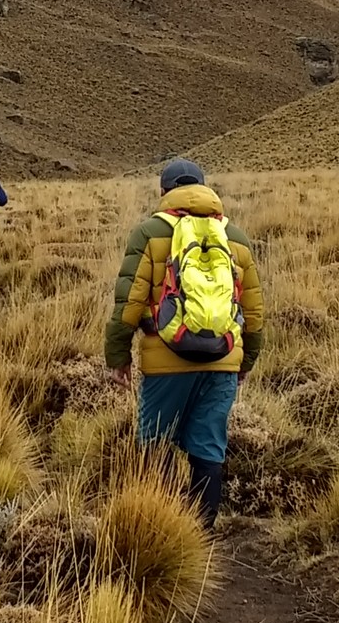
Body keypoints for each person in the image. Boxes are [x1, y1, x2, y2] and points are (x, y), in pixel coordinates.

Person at [103, 157, 266, 529]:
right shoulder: (234, 236)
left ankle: (155, 529)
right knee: (208, 446)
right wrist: (246, 361)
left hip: (166, 361)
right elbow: (254, 312)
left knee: (155, 441)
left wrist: (118, 356)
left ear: (164, 192)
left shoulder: (149, 231)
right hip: (223, 360)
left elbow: (128, 302)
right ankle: (200, 537)